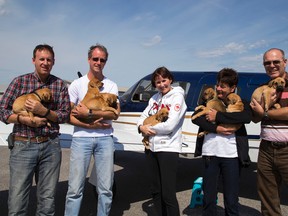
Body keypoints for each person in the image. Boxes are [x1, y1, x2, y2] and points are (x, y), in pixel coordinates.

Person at [0, 44, 71, 215]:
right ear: (34, 61)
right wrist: (24, 119)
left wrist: (43, 111)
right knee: (17, 201)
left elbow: (64, 115)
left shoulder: (59, 85)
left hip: (50, 146)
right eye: (42, 59)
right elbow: (2, 110)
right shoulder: (19, 82)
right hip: (23, 144)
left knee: (47, 201)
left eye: (49, 60)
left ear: (53, 62)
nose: (45, 63)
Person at [64, 43, 120, 216]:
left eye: (102, 60)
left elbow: (115, 114)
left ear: (105, 62)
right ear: (89, 60)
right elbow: (69, 116)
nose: (98, 62)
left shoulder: (111, 86)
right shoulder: (76, 85)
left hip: (105, 139)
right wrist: (91, 123)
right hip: (81, 138)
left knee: (105, 189)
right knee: (74, 189)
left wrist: (88, 112)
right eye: (95, 59)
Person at [191, 68, 251, 216]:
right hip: (210, 153)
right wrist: (216, 128)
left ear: (233, 88)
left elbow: (245, 118)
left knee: (231, 199)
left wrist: (217, 116)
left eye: (223, 86)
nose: (218, 88)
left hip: (232, 156)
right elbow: (196, 117)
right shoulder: (210, 101)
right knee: (209, 197)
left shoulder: (242, 103)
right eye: (218, 85)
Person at [137, 66, 187, 216]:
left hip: (168, 149)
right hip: (151, 148)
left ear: (170, 79)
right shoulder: (154, 98)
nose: (161, 84)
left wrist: (148, 129)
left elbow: (170, 125)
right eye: (158, 82)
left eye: (164, 80)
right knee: (155, 190)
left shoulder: (177, 97)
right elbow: (143, 116)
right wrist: (140, 127)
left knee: (168, 193)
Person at [250, 48, 288, 216]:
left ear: (285, 62)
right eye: (267, 63)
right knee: (268, 197)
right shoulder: (262, 88)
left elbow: (261, 114)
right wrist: (259, 112)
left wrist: (265, 112)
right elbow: (254, 117)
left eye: (276, 62)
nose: (271, 66)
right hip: (266, 149)